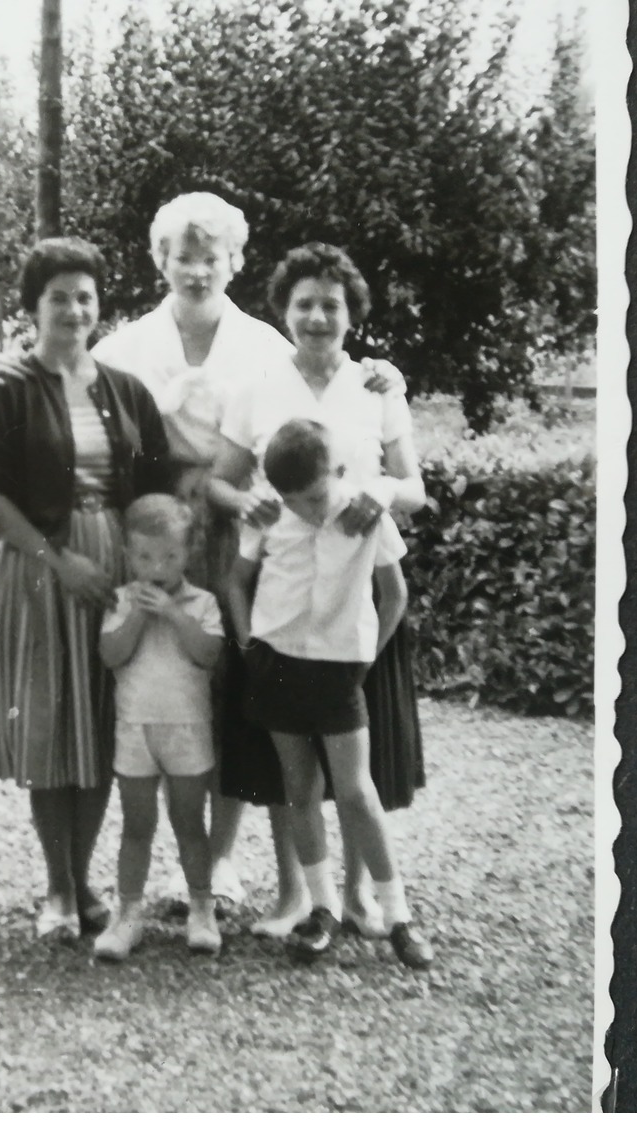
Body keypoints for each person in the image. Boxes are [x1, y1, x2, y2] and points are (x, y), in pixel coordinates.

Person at [86, 193, 405, 913]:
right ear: (160, 258)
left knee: (241, 692)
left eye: (212, 255)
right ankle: (178, 867)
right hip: (163, 526)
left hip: (252, 528)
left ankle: (229, 864)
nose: (197, 270)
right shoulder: (123, 348)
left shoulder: (265, 344)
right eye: (182, 255)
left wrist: (386, 376)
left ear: (234, 260)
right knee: (166, 684)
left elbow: (332, 389)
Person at [214, 241, 428, 939]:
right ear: (284, 309)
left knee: (359, 770)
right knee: (295, 767)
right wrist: (242, 504)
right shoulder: (255, 388)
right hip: (283, 599)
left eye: (330, 305)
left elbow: (415, 488)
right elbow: (219, 479)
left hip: (357, 602)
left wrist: (380, 492)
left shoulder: (377, 386)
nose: (316, 316)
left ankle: (365, 897)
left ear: (350, 313)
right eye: (303, 303)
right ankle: (302, 898)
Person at [0, 237, 173, 942]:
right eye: (59, 296)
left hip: (113, 568)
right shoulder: (3, 387)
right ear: (34, 305)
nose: (74, 308)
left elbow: (155, 490)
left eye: (85, 296)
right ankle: (59, 888)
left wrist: (145, 575)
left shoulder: (126, 389)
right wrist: (57, 560)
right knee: (53, 728)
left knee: (101, 725)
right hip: (40, 570)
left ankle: (82, 880)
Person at [226, 419, 434, 970]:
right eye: (296, 501)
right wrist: (251, 645)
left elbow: (394, 594)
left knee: (357, 792)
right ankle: (321, 909)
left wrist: (365, 658)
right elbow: (234, 581)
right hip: (277, 663)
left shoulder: (368, 515)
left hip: (340, 669)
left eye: (316, 496)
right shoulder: (272, 517)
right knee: (298, 788)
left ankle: (397, 916)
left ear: (339, 473)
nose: (310, 510)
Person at [94, 494, 225, 961]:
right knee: (136, 824)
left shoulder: (203, 603)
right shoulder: (122, 600)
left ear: (187, 555)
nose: (158, 567)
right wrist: (136, 616)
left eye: (170, 556)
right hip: (135, 729)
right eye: (146, 557)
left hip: (188, 730)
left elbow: (208, 653)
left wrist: (172, 613)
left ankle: (202, 909)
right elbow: (111, 655)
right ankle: (127, 915)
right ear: (130, 556)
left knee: (190, 823)